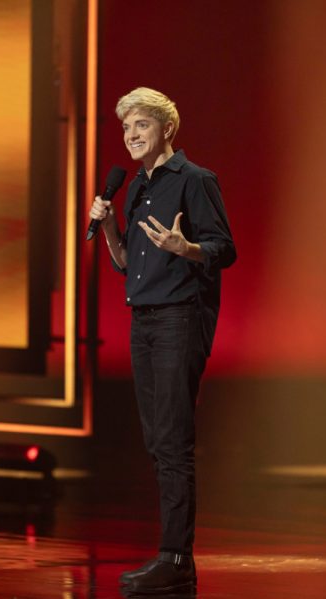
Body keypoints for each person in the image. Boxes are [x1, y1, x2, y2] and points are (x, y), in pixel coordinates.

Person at [89, 87, 236, 594]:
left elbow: (224, 248)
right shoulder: (135, 188)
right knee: (157, 442)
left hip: (179, 319)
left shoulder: (195, 180)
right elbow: (127, 262)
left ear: (166, 128)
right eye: (126, 127)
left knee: (173, 442)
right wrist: (111, 227)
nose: (131, 135)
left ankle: (176, 559)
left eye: (141, 125)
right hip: (143, 321)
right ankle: (173, 558)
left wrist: (185, 246)